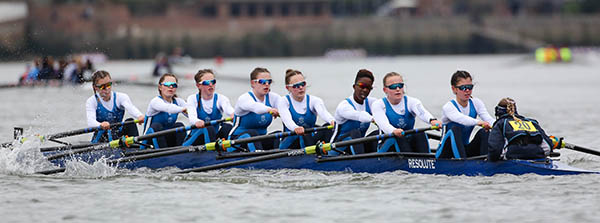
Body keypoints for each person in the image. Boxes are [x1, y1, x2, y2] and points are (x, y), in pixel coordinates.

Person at [372, 72, 442, 153]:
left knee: (420, 134)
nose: (397, 89)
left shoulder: (411, 102)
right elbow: (383, 124)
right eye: (393, 87)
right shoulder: (378, 105)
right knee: (398, 138)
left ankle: (427, 161)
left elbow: (422, 113)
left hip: (408, 143)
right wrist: (393, 130)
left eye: (400, 86)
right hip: (388, 146)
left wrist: (432, 121)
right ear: (385, 90)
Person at [436, 70, 494, 159]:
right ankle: (462, 163)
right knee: (455, 129)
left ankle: (486, 162)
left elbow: (489, 119)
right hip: (444, 154)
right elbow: (461, 119)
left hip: (465, 149)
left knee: (484, 132)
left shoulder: (476, 103)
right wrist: (480, 123)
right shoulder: (448, 107)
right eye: (463, 88)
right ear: (454, 89)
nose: (467, 91)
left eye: (470, 87)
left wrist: (501, 125)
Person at [278, 69, 335, 150]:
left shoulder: (315, 100)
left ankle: (330, 155)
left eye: (303, 84)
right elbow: (287, 120)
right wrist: (295, 128)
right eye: (296, 86)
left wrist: (332, 121)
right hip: (290, 142)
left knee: (328, 127)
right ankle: (310, 156)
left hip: (309, 139)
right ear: (288, 88)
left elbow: (323, 113)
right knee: (304, 128)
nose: (301, 87)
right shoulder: (283, 101)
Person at [229, 67, 282, 152]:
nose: (267, 84)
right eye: (262, 82)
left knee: (278, 134)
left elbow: (286, 109)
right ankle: (260, 161)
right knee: (252, 134)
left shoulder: (273, 97)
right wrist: (270, 110)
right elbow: (256, 107)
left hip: (259, 141)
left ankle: (278, 160)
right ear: (253, 83)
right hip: (236, 143)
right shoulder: (244, 98)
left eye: (269, 82)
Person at [85, 70, 144, 143]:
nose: (107, 89)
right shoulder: (91, 101)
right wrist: (100, 124)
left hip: (118, 134)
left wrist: (140, 116)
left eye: (109, 84)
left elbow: (131, 108)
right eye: (103, 87)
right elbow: (90, 122)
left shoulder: (121, 97)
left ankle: (136, 148)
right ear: (95, 87)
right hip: (102, 136)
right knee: (105, 130)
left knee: (130, 122)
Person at [330, 69, 378, 155]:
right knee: (354, 133)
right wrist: (373, 119)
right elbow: (359, 115)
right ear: (354, 86)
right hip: (337, 149)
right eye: (361, 86)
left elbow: (386, 107)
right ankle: (362, 162)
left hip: (357, 147)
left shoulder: (372, 103)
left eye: (368, 88)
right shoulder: (344, 106)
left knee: (377, 134)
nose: (365, 90)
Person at [487, 98, 552, 161]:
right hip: (537, 153)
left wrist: (491, 160)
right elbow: (548, 145)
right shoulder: (531, 122)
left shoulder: (501, 123)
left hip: (512, 154)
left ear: (498, 111)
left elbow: (494, 149)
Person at [184, 69, 234, 146]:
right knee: (208, 128)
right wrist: (197, 122)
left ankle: (230, 152)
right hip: (194, 141)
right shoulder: (192, 99)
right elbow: (192, 117)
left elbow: (229, 110)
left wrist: (233, 115)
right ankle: (212, 154)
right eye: (206, 83)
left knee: (227, 127)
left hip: (213, 138)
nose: (211, 85)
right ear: (198, 85)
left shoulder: (221, 98)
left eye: (213, 82)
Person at [142, 73, 188, 148]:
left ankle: (181, 151)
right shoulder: (155, 101)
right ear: (160, 87)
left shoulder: (179, 101)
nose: (171, 87)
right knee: (157, 126)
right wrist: (183, 109)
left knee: (179, 125)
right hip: (149, 142)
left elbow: (192, 114)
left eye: (174, 85)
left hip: (167, 139)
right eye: (167, 84)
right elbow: (168, 108)